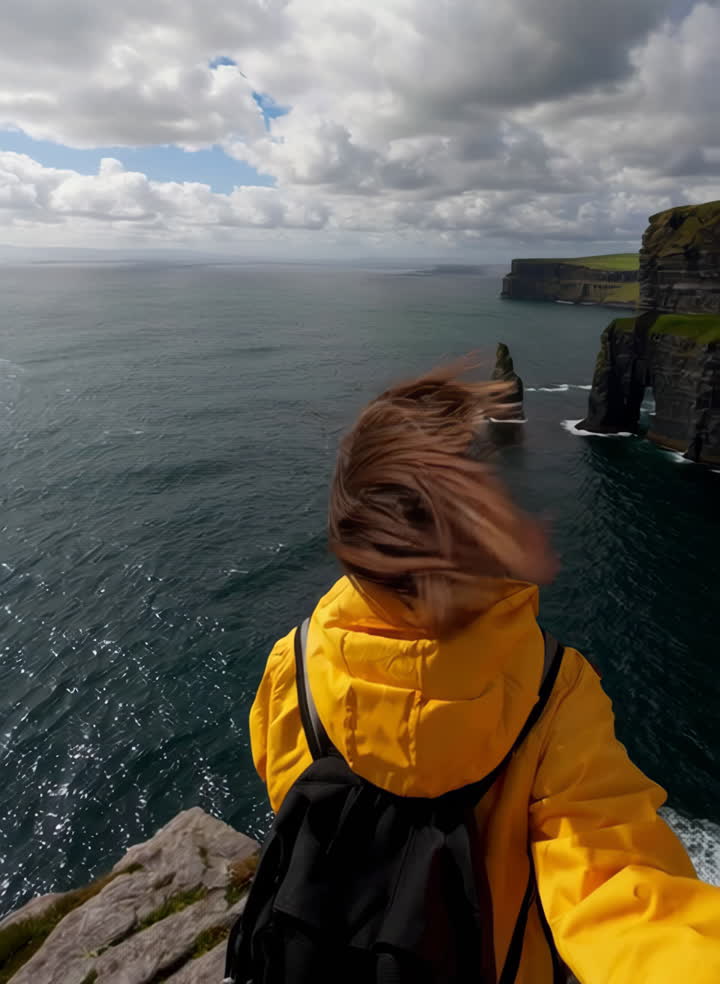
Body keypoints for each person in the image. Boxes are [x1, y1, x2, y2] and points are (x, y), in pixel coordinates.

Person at [249, 362, 720, 982]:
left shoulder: (296, 661)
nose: (547, 505)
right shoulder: (555, 692)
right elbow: (616, 890)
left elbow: (285, 784)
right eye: (517, 493)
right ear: (479, 542)